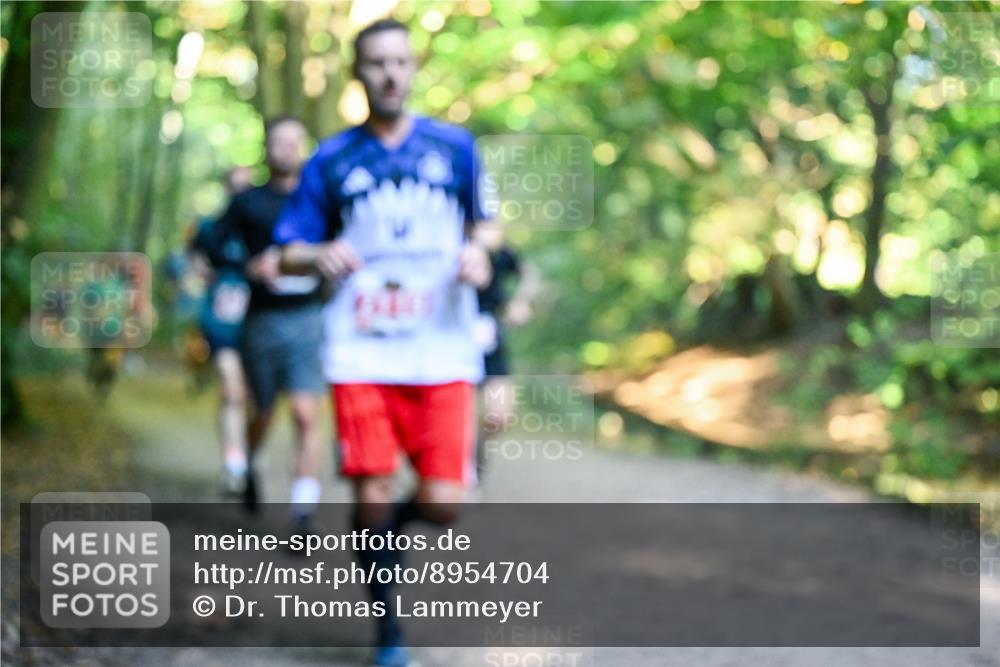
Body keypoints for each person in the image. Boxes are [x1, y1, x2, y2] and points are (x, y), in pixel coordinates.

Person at [276, 18, 492, 667]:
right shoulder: (331, 159)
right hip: (362, 349)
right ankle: (388, 629)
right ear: (358, 73)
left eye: (400, 61)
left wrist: (479, 254)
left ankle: (379, 540)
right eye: (376, 63)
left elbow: (489, 224)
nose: (390, 73)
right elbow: (286, 252)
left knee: (444, 502)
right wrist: (316, 255)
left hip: (442, 346)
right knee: (370, 490)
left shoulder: (455, 148)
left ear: (414, 67)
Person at [212, 116, 327, 533]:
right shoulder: (248, 202)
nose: (287, 149)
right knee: (261, 411)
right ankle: (250, 461)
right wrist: (246, 267)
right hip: (260, 320)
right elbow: (212, 247)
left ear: (305, 147)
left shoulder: (321, 199)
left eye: (295, 141)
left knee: (305, 413)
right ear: (267, 147)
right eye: (279, 141)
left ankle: (303, 514)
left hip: (307, 318)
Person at [189, 166, 254, 493]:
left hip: (258, 323)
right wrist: (202, 271)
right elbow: (194, 258)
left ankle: (250, 453)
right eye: (235, 188)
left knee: (253, 398)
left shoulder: (265, 225)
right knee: (231, 389)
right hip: (221, 321)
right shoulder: (210, 228)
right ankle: (233, 462)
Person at [470, 220, 543, 478]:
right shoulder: (445, 247)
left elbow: (529, 273)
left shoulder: (502, 254)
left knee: (499, 415)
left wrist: (520, 302)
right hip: (448, 347)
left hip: (491, 343)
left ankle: (476, 461)